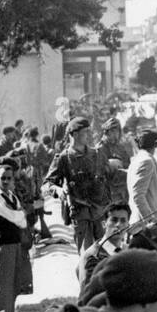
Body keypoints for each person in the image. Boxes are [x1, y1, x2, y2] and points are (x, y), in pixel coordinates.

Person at [46, 118, 111, 252]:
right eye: (85, 132)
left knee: (106, 251)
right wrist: (58, 190)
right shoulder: (64, 158)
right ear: (74, 134)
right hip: (80, 213)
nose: (89, 135)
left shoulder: (97, 154)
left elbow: (109, 176)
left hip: (100, 211)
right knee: (87, 255)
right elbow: (49, 183)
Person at [0, 157, 29, 312]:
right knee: (3, 287)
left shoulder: (12, 197)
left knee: (14, 285)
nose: (5, 181)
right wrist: (18, 215)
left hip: (15, 243)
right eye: (2, 177)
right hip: (3, 245)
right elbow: (14, 216)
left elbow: (22, 221)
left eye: (9, 178)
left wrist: (19, 215)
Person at [79, 201, 132, 291]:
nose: (118, 225)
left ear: (128, 225)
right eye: (114, 220)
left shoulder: (128, 250)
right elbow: (89, 294)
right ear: (104, 224)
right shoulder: (92, 255)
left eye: (123, 221)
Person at [127, 129, 157, 226]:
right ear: (155, 144)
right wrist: (150, 220)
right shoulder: (146, 161)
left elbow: (150, 195)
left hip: (141, 218)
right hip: (144, 224)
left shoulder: (137, 159)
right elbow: (138, 195)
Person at [97, 119, 132, 205]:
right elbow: (99, 171)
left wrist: (121, 166)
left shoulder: (120, 147)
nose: (115, 134)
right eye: (112, 131)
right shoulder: (100, 148)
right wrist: (111, 165)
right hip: (108, 191)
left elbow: (128, 164)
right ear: (106, 132)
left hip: (123, 190)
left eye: (117, 131)